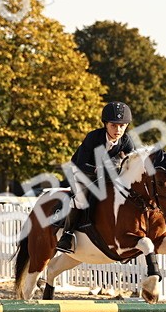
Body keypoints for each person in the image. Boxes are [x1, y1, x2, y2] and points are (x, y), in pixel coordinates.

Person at [56, 101, 137, 253]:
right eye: (114, 125)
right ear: (105, 124)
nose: (118, 130)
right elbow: (81, 164)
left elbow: (133, 163)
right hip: (82, 171)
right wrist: (101, 171)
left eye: (122, 126)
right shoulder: (93, 137)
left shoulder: (126, 141)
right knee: (81, 199)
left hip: (106, 175)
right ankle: (66, 236)